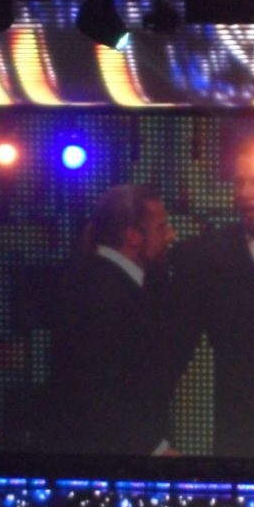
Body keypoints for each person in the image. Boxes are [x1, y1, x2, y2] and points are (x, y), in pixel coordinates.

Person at [170, 134, 254, 458]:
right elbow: (171, 350)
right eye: (239, 183)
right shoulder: (207, 255)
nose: (244, 194)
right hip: (238, 436)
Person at [45, 184, 180, 456]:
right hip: (113, 458)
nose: (171, 236)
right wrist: (153, 448)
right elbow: (101, 389)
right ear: (133, 236)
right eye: (161, 227)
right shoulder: (106, 295)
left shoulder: (97, 281)